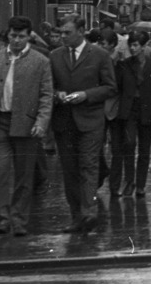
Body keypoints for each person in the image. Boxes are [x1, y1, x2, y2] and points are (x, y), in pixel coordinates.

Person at [0, 16, 54, 237]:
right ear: (7, 35)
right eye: (13, 36)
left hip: (26, 124)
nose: (17, 40)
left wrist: (41, 123)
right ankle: (1, 219)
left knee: (24, 175)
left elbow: (46, 96)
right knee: (0, 171)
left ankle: (19, 219)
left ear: (29, 36)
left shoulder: (41, 61)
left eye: (21, 36)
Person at [48, 14, 118, 234]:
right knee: (69, 170)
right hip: (64, 120)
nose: (63, 36)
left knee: (88, 165)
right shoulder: (55, 56)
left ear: (81, 31)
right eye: (61, 32)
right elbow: (47, 87)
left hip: (90, 120)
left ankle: (89, 213)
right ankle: (76, 217)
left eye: (67, 32)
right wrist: (56, 94)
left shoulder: (99, 55)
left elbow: (110, 87)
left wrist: (86, 95)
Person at [124, 30, 151, 198]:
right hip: (130, 108)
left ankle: (140, 184)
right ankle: (129, 182)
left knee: (144, 149)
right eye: (131, 45)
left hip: (147, 108)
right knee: (129, 143)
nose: (133, 49)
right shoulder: (125, 64)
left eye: (135, 45)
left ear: (142, 47)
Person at [102, 26, 141, 198]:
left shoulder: (127, 64)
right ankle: (114, 185)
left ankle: (129, 183)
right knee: (116, 149)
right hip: (111, 112)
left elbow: (129, 87)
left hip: (126, 112)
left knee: (129, 147)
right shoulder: (103, 61)